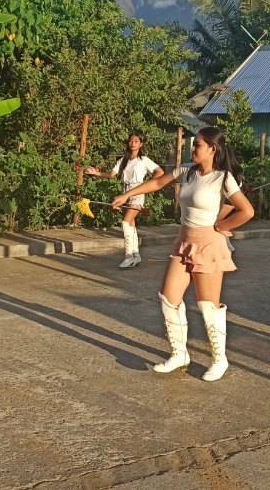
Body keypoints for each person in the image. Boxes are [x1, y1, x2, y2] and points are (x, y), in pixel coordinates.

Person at [112, 126, 254, 381]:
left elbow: (246, 211)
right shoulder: (186, 171)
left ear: (212, 149)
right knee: (169, 298)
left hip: (208, 244)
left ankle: (219, 359)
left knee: (208, 305)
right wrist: (127, 195)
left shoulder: (223, 178)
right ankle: (179, 354)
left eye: (198, 145)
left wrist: (221, 226)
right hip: (184, 241)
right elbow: (157, 182)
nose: (193, 148)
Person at [88, 132, 165, 268]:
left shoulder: (144, 160)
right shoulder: (123, 160)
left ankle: (129, 256)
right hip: (125, 193)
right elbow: (111, 175)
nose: (133, 143)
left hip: (138, 193)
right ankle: (136, 256)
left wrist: (147, 185)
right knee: (131, 225)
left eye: (136, 141)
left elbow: (160, 172)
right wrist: (96, 173)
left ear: (141, 144)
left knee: (125, 223)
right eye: (131, 140)